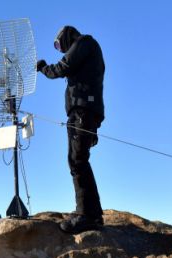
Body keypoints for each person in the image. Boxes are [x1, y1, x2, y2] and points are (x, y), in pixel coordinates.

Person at [36, 25, 105, 234]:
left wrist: (43, 67)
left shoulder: (84, 43)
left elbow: (61, 67)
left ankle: (86, 214)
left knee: (77, 161)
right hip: (85, 111)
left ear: (65, 36)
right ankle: (92, 213)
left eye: (59, 45)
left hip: (83, 112)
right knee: (79, 160)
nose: (61, 50)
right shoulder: (88, 48)